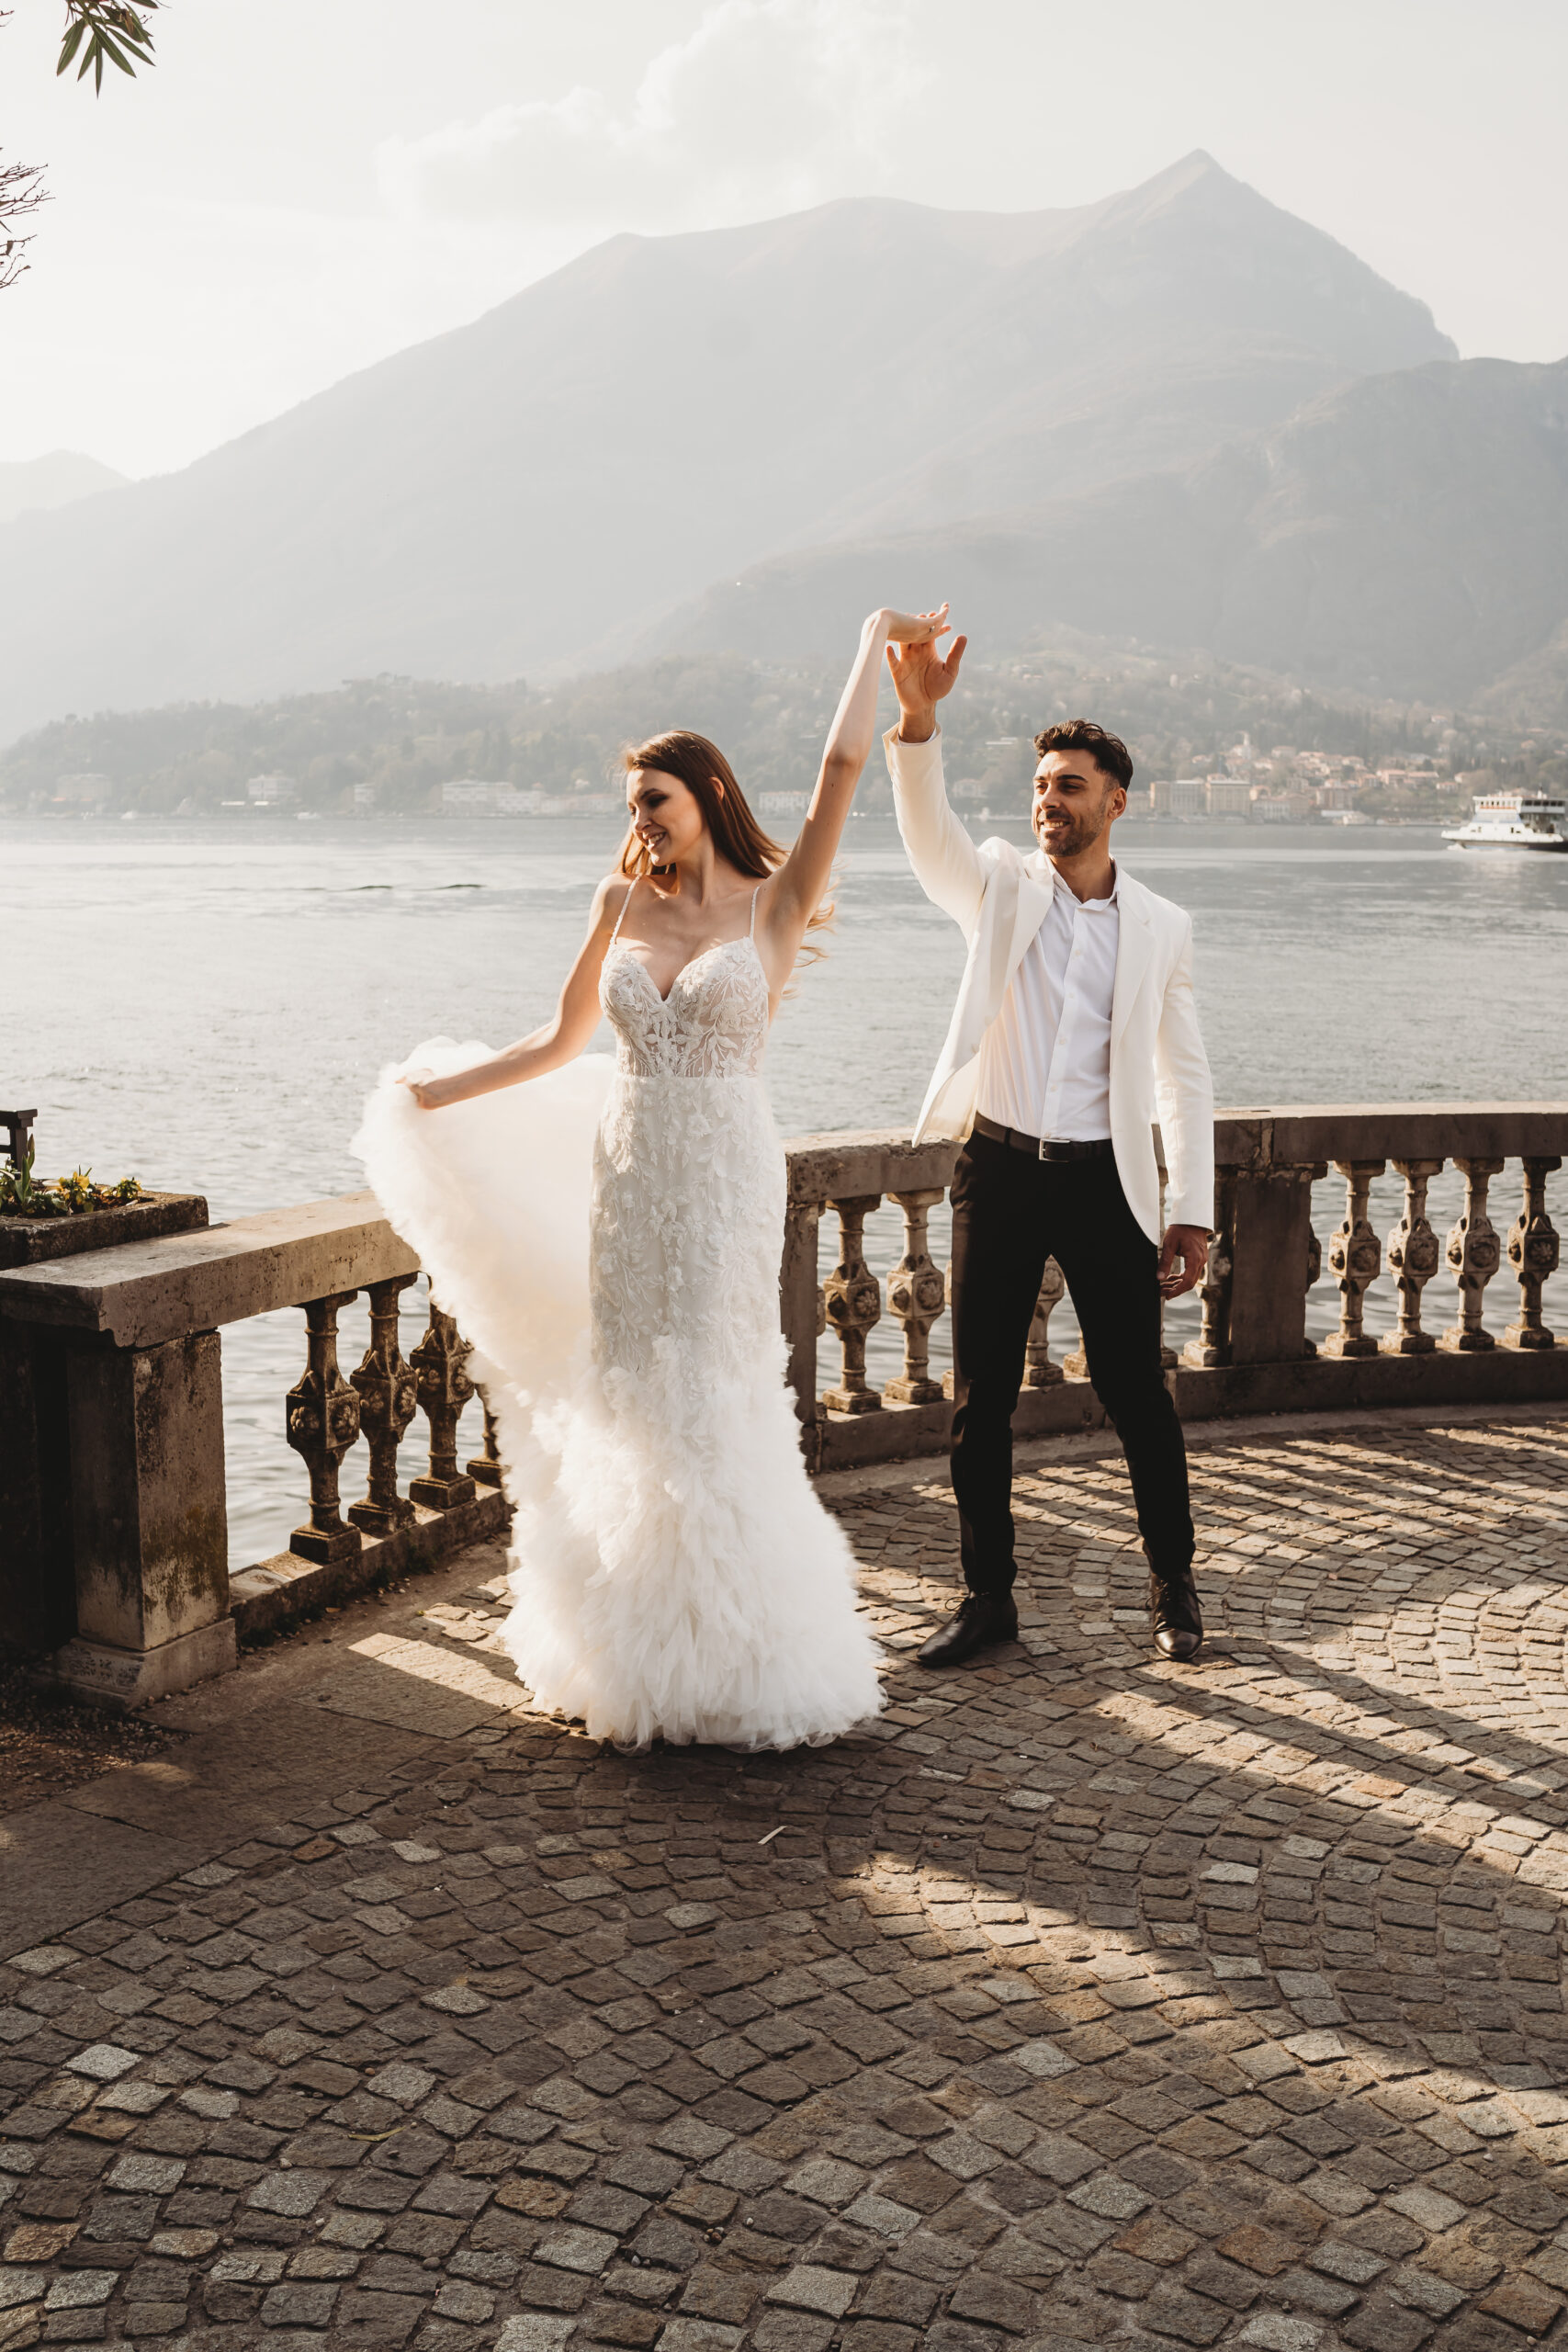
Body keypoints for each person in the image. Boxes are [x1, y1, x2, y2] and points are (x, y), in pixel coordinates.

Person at [354, 606, 951, 1750]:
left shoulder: (770, 902)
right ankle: (628, 1648)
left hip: (724, 1177)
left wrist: (871, 642)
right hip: (630, 1176)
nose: (638, 822)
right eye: (631, 805)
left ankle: (749, 1653)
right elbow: (559, 1037)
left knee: (716, 1392)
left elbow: (837, 770)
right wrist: (433, 1094)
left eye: (654, 801)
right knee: (632, 1393)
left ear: (706, 799)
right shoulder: (616, 905)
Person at [882, 625, 1214, 1669]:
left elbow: (1184, 1075)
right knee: (980, 1398)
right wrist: (920, 721)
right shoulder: (999, 885)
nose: (1048, 800)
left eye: (1070, 784)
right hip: (999, 1171)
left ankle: (1176, 1588)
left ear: (1116, 800)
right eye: (1040, 783)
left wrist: (1189, 1206)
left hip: (1104, 1185)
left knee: (1137, 1396)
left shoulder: (1160, 926)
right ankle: (989, 1602)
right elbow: (928, 833)